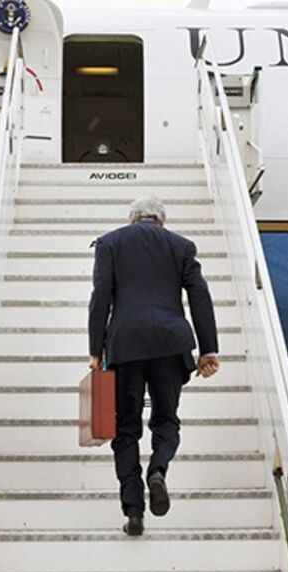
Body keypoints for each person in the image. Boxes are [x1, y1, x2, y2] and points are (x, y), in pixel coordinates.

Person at [87, 196, 219, 537]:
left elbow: (100, 296)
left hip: (125, 343)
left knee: (126, 427)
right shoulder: (182, 246)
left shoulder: (110, 243)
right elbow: (200, 296)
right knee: (166, 419)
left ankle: (134, 512)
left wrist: (95, 350)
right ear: (161, 221)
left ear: (133, 220)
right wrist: (208, 350)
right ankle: (158, 470)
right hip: (170, 344)